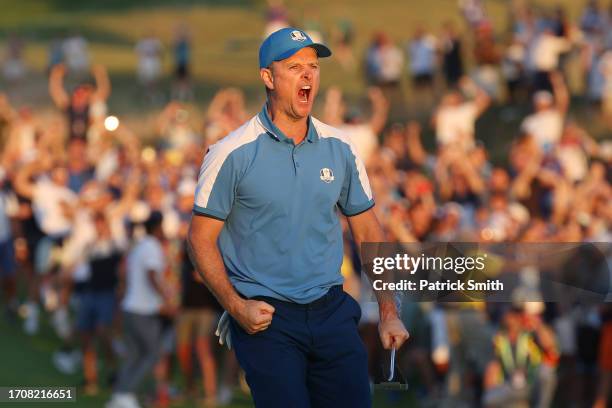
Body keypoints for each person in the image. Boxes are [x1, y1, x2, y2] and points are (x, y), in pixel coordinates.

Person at [187, 27, 409, 408]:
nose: (308, 75)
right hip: (267, 318)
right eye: (294, 67)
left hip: (331, 309)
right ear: (268, 78)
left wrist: (388, 311)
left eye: (313, 66)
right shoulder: (230, 152)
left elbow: (369, 230)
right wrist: (236, 307)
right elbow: (199, 240)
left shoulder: (341, 147)